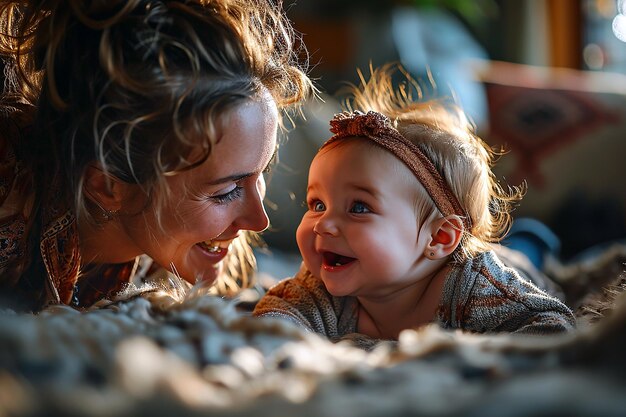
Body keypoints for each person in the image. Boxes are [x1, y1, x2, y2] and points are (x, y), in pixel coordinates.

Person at [0, 0, 312, 312]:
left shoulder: (174, 257)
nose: (260, 221)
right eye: (226, 192)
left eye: (263, 172)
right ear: (108, 186)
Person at [253, 65, 575, 341]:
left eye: (359, 207)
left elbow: (552, 328)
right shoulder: (319, 284)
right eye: (318, 204)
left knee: (522, 247)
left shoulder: (476, 289)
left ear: (438, 237)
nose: (323, 223)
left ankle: (535, 237)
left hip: (508, 263)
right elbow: (275, 319)